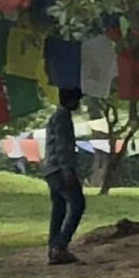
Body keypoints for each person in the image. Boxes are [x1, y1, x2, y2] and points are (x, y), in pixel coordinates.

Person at [44, 87, 85, 266]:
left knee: (59, 208)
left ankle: (53, 247)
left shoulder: (55, 117)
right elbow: (63, 146)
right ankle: (60, 246)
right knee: (77, 205)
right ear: (72, 100)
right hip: (60, 169)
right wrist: (68, 170)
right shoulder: (63, 118)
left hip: (50, 169)